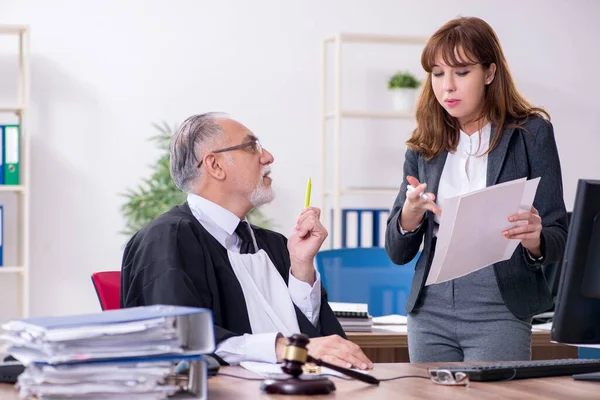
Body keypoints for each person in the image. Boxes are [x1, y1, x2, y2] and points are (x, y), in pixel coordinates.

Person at [121, 112, 373, 370]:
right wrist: (287, 348)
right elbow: (178, 339)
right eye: (252, 147)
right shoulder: (167, 239)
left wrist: (301, 268)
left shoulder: (275, 244)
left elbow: (312, 337)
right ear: (215, 165)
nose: (268, 157)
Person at [385, 17, 568, 362]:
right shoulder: (425, 144)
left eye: (462, 72)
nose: (447, 87)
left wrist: (534, 239)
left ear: (489, 72)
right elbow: (397, 252)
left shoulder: (531, 134)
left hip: (500, 306)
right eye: (438, 74)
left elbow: (558, 236)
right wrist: (408, 216)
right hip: (430, 310)